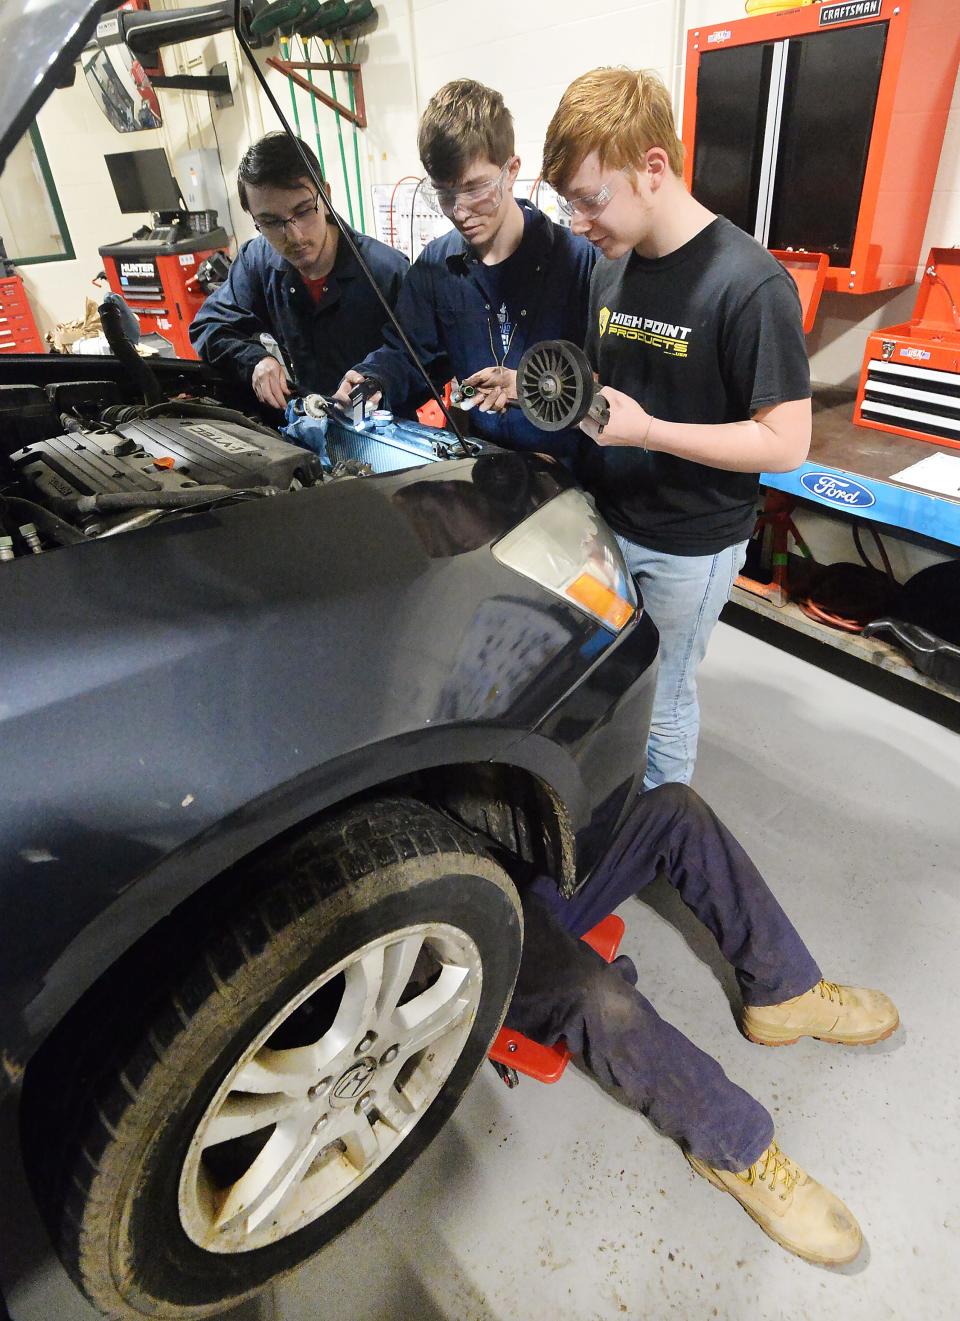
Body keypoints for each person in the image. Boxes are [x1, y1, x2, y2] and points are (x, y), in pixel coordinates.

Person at [537, 69, 812, 788]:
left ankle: (660, 835)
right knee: (609, 682)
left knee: (662, 697)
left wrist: (653, 431)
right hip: (605, 521)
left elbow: (786, 441)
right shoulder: (612, 269)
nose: (579, 224)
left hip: (688, 544)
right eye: (571, 205)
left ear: (651, 167)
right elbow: (610, 395)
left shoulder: (749, 283)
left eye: (591, 200)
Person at [507, 781, 898, 1265]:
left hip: (517, 855)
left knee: (675, 809)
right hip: (462, 907)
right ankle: (735, 1147)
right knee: (599, 997)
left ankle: (785, 993)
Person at [333, 79, 597, 467]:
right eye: (444, 193)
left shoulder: (578, 262)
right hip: (487, 470)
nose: (459, 211)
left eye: (475, 189)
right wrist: (373, 379)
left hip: (574, 481)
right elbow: (408, 354)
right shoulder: (435, 270)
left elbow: (605, 380)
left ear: (511, 171)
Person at [190, 132, 408, 409]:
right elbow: (209, 326)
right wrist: (255, 360)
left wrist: (378, 381)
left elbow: (422, 360)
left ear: (325, 197)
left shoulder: (386, 271)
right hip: (307, 431)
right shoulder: (256, 261)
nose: (293, 236)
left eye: (303, 211)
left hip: (383, 436)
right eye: (270, 222)